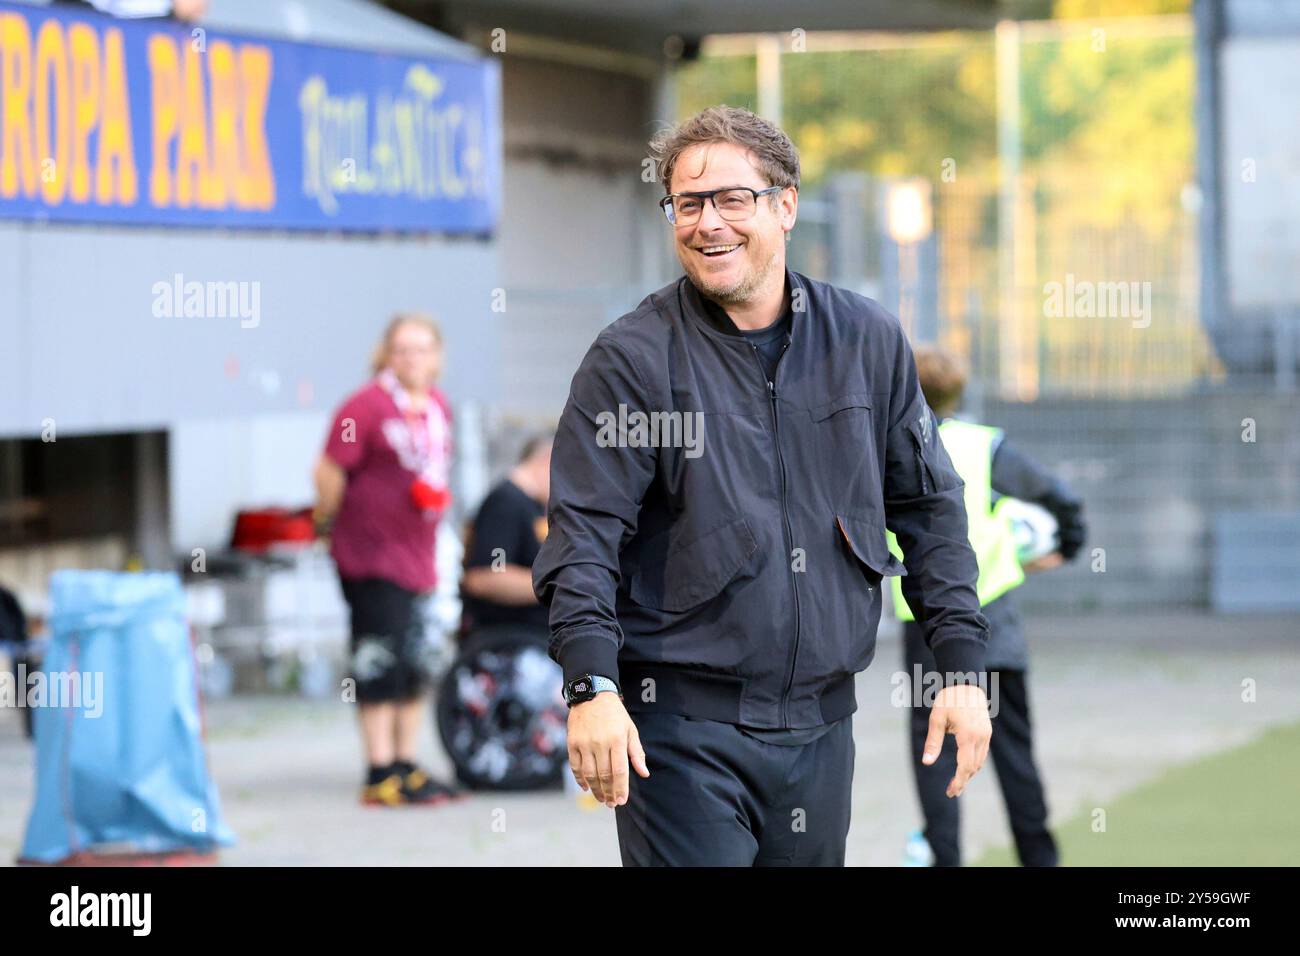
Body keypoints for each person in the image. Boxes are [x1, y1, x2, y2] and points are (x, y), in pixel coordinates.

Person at [532, 104, 993, 866]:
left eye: (731, 199)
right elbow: (584, 536)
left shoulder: (866, 341)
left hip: (821, 730)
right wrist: (591, 687)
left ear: (785, 206)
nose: (708, 222)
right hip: (679, 731)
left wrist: (961, 668)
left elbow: (930, 511)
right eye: (689, 203)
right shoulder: (633, 360)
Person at [890, 346, 1086, 867]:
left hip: (928, 632)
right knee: (1015, 756)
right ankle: (1039, 859)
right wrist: (1066, 545)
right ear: (959, 391)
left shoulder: (890, 446)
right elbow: (1061, 496)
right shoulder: (985, 448)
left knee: (934, 755)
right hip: (994, 624)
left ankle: (943, 857)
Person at [313, 313, 463, 806]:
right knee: (377, 659)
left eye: (421, 349)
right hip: (372, 556)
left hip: (420, 555)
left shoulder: (438, 406)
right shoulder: (366, 407)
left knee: (416, 660)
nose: (411, 359)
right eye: (401, 349)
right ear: (386, 355)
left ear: (437, 356)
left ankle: (405, 763)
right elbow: (330, 469)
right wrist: (326, 523)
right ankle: (378, 771)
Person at [460, 433, 553, 635]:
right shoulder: (507, 504)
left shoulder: (531, 507)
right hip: (508, 639)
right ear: (548, 461)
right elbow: (491, 574)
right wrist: (560, 585)